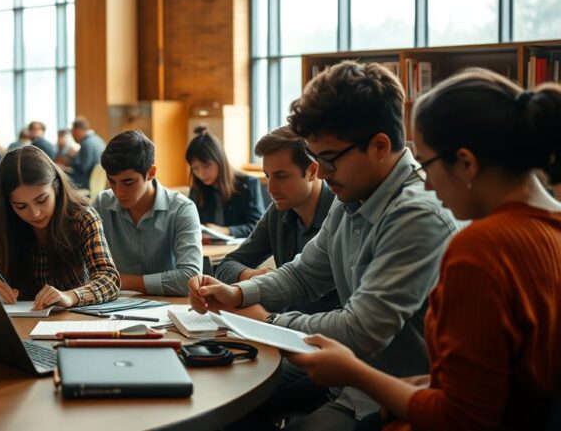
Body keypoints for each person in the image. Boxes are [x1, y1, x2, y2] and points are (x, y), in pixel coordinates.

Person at [189, 61, 458, 430]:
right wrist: (237, 293)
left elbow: (360, 330)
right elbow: (303, 275)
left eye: (328, 160)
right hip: (350, 391)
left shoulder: (416, 214)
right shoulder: (352, 198)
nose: (323, 174)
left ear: (379, 146)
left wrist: (268, 322)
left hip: (393, 403)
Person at [289, 69, 561, 431]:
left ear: (465, 162)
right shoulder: (549, 227)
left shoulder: (481, 250)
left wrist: (355, 372)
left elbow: (461, 418)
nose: (427, 183)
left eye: (427, 163)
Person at [0, 146, 120, 310]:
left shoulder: (82, 218)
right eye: (21, 206)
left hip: (71, 320)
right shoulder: (7, 222)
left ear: (56, 187)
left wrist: (70, 296)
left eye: (42, 200)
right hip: (17, 323)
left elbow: (109, 279)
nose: (35, 213)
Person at [214, 126, 339, 315]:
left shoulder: (342, 211)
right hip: (284, 328)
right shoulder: (278, 212)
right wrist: (251, 276)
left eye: (281, 176)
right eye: (267, 176)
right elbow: (227, 265)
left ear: (313, 171)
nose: (270, 189)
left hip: (328, 336)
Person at [93, 130, 202, 296]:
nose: (118, 192)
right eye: (112, 182)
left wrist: (117, 281)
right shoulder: (102, 203)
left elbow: (190, 278)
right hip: (113, 308)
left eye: (128, 182)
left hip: (168, 307)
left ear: (151, 173)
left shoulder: (182, 209)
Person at [186, 127, 265, 241]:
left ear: (219, 160)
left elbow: (258, 227)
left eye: (206, 165)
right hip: (209, 251)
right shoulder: (198, 188)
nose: (201, 173)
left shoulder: (247, 184)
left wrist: (226, 231)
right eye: (195, 168)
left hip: (239, 251)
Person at [66, 117, 106, 189]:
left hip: (87, 182)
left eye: (73, 132)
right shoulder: (97, 139)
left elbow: (83, 168)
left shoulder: (86, 143)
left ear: (78, 130)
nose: (73, 136)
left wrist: (70, 160)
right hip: (98, 183)